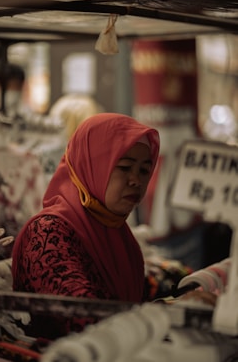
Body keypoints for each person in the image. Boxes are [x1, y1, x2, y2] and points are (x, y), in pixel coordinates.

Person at [11, 112, 159, 336]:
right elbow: (83, 317)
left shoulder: (120, 237)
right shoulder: (47, 233)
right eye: (125, 167)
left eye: (144, 170)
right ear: (93, 166)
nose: (136, 180)